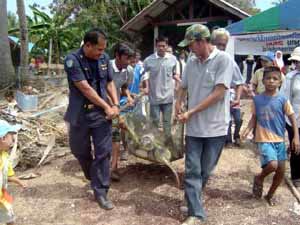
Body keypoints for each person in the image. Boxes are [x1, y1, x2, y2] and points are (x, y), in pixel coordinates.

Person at [176, 24, 234, 224]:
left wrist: (191, 111)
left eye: (191, 44)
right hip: (193, 127)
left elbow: (219, 94)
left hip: (216, 127)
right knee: (192, 169)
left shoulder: (223, 60)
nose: (189, 49)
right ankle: (196, 213)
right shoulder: (191, 62)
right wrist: (178, 103)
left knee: (205, 170)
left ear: (201, 42)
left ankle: (193, 198)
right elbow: (183, 87)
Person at [64, 28, 119, 210]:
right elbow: (85, 88)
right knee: (78, 150)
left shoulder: (103, 59)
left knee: (103, 152)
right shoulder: (72, 60)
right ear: (87, 45)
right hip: (79, 114)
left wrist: (116, 105)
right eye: (98, 49)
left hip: (100, 116)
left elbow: (110, 82)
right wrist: (106, 106)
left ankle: (101, 191)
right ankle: (92, 175)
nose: (101, 53)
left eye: (103, 50)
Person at [242, 66, 300, 206]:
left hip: (279, 139)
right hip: (264, 139)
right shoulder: (257, 100)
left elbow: (292, 117)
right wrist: (247, 129)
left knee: (280, 171)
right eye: (268, 78)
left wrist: (296, 136)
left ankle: (269, 195)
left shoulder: (282, 100)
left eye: (275, 79)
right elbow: (254, 118)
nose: (271, 81)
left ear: (280, 82)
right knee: (273, 165)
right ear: (263, 81)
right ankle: (259, 177)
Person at [143, 36, 180, 143]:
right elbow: (143, 74)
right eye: (159, 46)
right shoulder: (149, 60)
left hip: (168, 97)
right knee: (154, 122)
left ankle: (168, 143)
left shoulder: (173, 59)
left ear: (167, 46)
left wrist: (179, 83)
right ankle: (155, 144)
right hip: (154, 97)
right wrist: (145, 87)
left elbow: (175, 74)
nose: (161, 48)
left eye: (163, 46)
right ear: (156, 46)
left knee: (167, 122)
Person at [211, 28, 244, 147]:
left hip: (228, 101)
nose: (221, 47)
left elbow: (239, 82)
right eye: (218, 44)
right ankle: (228, 140)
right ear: (212, 43)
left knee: (237, 119)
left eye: (224, 45)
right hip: (209, 107)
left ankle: (236, 137)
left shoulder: (230, 61)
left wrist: (238, 98)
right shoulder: (202, 60)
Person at [110, 43, 134, 181]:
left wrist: (128, 96)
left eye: (130, 59)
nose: (129, 62)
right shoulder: (106, 67)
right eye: (126, 58)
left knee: (115, 137)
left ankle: (113, 168)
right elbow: (104, 88)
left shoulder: (128, 70)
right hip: (102, 109)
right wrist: (112, 105)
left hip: (116, 110)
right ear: (117, 56)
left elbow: (123, 87)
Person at [280, 47, 300, 188]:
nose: (298, 64)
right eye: (296, 61)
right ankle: (296, 176)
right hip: (294, 119)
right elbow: (285, 100)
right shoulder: (290, 77)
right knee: (297, 148)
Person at [0, 120, 26, 225]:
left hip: (2, 197)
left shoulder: (4, 155)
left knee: (9, 217)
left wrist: (17, 181)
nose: (13, 139)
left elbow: (6, 174)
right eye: (11, 136)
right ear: (3, 138)